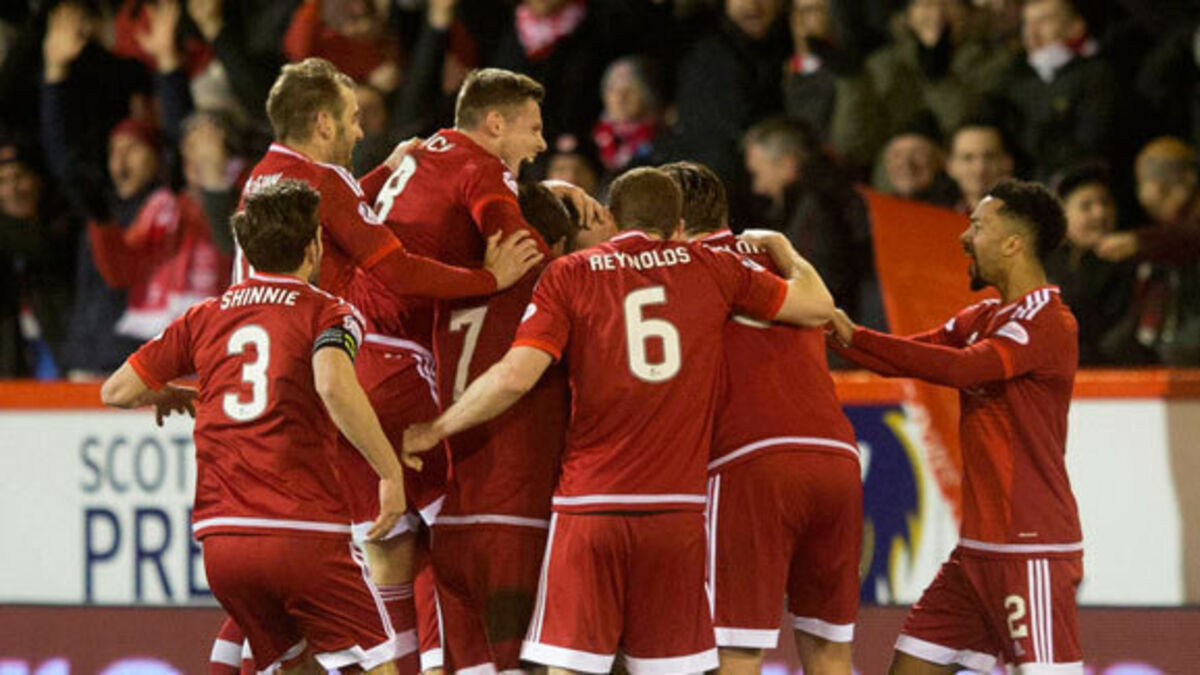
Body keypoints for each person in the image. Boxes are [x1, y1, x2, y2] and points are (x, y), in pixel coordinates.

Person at [403, 167, 835, 674]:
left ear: (611, 217)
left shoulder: (571, 273)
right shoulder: (710, 266)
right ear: (678, 226)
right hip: (675, 514)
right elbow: (817, 306)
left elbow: (515, 375)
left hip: (589, 507)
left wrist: (437, 428)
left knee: (566, 665)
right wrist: (784, 249)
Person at [235, 56, 543, 673]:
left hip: (288, 392)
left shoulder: (264, 183)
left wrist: (381, 174)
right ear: (323, 123)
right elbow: (396, 269)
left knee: (382, 549)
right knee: (457, 525)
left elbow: (336, 213)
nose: (358, 131)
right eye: (351, 119)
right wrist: (489, 278)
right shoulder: (327, 181)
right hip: (368, 364)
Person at [100, 180, 414, 674]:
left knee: (295, 665)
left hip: (223, 543)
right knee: (379, 667)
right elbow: (333, 384)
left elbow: (116, 391)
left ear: (245, 249)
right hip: (303, 533)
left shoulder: (204, 316)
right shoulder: (329, 312)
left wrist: (169, 393)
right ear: (314, 246)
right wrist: (389, 472)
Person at [829, 179, 1084, 674]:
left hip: (1031, 549)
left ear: (1013, 244)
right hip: (975, 556)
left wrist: (849, 335)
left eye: (978, 226)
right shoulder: (985, 316)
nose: (965, 237)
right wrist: (831, 330)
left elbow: (963, 368)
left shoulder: (1048, 321)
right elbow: (908, 355)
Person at [662, 161, 861, 675]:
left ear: (672, 223)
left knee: (735, 650)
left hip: (750, 461)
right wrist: (786, 247)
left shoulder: (684, 269)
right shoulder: (782, 264)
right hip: (838, 460)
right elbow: (824, 308)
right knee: (829, 649)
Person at [430, 182, 580, 674]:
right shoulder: (555, 283)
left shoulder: (450, 286)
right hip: (517, 515)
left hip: (452, 519)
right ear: (556, 245)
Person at [1093, 137, 1200, 366]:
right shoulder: (1169, 232)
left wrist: (1137, 241)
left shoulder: (1181, 230)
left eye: (1140, 183)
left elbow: (1189, 238)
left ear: (1156, 187)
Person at [1044, 164, 1132, 365]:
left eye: (1106, 203)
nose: (1100, 213)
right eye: (1086, 206)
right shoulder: (1042, 262)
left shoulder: (1129, 266)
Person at [946, 122, 1014, 214]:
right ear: (950, 166)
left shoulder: (1029, 218)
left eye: (989, 157)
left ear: (1007, 162)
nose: (979, 169)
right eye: (968, 158)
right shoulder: (936, 216)